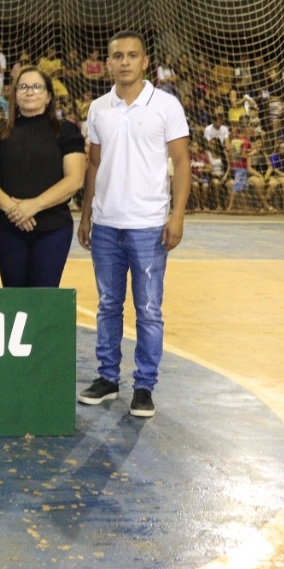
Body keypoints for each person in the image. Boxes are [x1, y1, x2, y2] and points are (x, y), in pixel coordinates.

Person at [77, 30, 190, 419]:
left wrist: (177, 215)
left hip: (148, 225)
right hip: (107, 224)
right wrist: (87, 214)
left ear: (145, 62)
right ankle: (108, 378)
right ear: (107, 63)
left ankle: (144, 386)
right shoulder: (98, 108)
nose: (124, 62)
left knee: (148, 309)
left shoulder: (166, 106)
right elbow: (94, 165)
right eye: (117, 56)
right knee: (108, 305)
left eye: (132, 55)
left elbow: (183, 163)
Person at [0, 66, 86, 287]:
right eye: (23, 87)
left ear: (49, 96)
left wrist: (34, 206)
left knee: (44, 300)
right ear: (14, 95)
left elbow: (75, 179)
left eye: (37, 87)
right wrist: (13, 209)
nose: (29, 92)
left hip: (53, 229)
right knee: (14, 299)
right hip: (5, 227)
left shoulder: (67, 131)